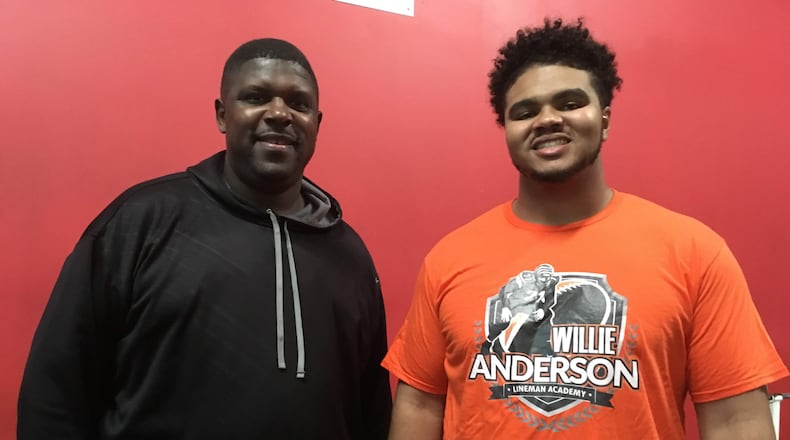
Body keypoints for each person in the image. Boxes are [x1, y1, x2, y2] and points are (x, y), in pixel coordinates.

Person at [382, 18, 788, 439]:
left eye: (570, 102)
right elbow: (420, 403)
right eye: (524, 111)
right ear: (506, 130)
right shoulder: (450, 259)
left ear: (605, 119)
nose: (547, 119)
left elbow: (735, 419)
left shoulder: (694, 253)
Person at [18, 38, 391, 439]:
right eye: (256, 97)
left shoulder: (349, 255)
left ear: (317, 123)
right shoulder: (140, 223)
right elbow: (55, 391)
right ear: (222, 114)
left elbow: (371, 409)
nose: (279, 113)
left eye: (298, 104)